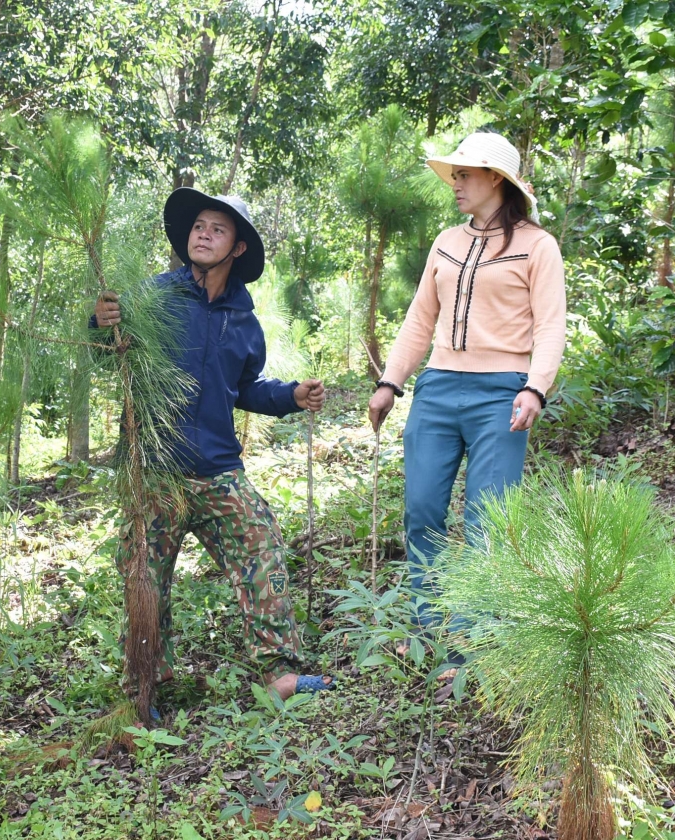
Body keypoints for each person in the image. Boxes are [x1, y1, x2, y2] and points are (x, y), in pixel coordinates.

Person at [93, 188, 334, 702]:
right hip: (154, 470)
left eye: (217, 228)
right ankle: (146, 686)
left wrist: (291, 395)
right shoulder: (153, 297)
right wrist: (101, 322)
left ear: (238, 248)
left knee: (262, 545)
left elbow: (244, 387)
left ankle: (279, 674)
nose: (202, 233)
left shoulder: (243, 321)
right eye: (198, 225)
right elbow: (104, 349)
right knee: (145, 578)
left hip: (219, 470)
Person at [367, 132, 567, 657]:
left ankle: (476, 648)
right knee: (422, 510)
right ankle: (427, 632)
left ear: (496, 180)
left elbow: (550, 326)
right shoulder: (447, 241)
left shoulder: (537, 245)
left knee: (489, 520)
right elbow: (419, 319)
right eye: (454, 174)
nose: (455, 183)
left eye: (465, 174)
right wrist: (391, 381)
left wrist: (535, 389)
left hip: (502, 395)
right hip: (436, 391)